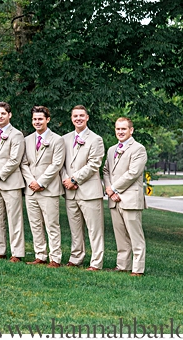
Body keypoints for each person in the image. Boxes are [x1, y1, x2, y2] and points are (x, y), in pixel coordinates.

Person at [62, 105, 107, 269]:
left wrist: (74, 179)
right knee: (75, 229)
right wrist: (66, 179)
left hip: (89, 191)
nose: (78, 118)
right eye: (75, 116)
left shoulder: (96, 139)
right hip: (70, 192)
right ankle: (76, 258)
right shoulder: (65, 138)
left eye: (81, 115)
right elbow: (60, 163)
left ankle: (96, 262)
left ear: (87, 117)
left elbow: (94, 164)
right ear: (71, 118)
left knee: (94, 230)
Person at [104, 117, 149, 275]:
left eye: (124, 129)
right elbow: (106, 171)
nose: (120, 132)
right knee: (120, 235)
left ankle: (138, 268)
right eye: (118, 129)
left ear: (131, 130)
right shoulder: (111, 150)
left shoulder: (138, 149)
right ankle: (122, 265)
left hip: (130, 199)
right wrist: (109, 189)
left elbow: (133, 173)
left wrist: (114, 189)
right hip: (114, 199)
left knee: (135, 236)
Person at [24, 106, 66, 266]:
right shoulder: (27, 140)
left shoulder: (57, 139)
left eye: (40, 119)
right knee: (35, 224)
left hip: (48, 189)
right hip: (31, 190)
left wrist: (41, 182)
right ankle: (40, 255)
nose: (37, 122)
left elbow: (57, 164)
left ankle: (55, 258)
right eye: (35, 119)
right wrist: (31, 182)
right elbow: (23, 164)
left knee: (52, 224)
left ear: (47, 119)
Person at [0, 101, 27, 261]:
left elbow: (15, 159)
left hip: (10, 182)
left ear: (9, 115)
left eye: (3, 113)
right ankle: (0, 251)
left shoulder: (16, 134)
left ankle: (17, 253)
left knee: (14, 218)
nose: (0, 116)